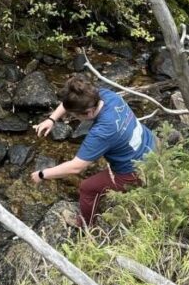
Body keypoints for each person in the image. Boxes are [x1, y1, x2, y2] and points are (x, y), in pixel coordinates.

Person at [31, 75, 155, 226]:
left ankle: (86, 225)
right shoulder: (106, 96)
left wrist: (42, 174)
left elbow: (75, 167)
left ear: (88, 112)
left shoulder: (102, 132)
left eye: (74, 115)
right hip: (151, 143)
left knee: (87, 188)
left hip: (136, 170)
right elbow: (72, 101)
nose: (71, 116)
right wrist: (51, 119)